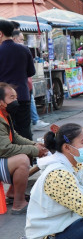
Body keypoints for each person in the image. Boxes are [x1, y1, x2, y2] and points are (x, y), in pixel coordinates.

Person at [0, 83, 48, 214]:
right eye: (11, 98)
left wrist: (34, 146)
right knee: (22, 160)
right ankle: (18, 204)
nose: (15, 101)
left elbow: (14, 137)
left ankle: (13, 193)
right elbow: (4, 148)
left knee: (26, 152)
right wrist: (34, 150)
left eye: (16, 97)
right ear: (1, 102)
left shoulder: (4, 114)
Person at [0, 20, 35, 140]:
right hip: (23, 96)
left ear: (0, 34)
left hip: (4, 100)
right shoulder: (24, 49)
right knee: (25, 130)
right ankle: (31, 157)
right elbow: (32, 72)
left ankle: (14, 158)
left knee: (6, 132)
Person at [12, 30, 49, 131]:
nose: (23, 42)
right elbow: (31, 71)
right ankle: (35, 121)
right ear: (14, 39)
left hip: (16, 91)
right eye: (21, 40)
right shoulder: (23, 50)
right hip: (21, 90)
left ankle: (35, 121)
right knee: (23, 125)